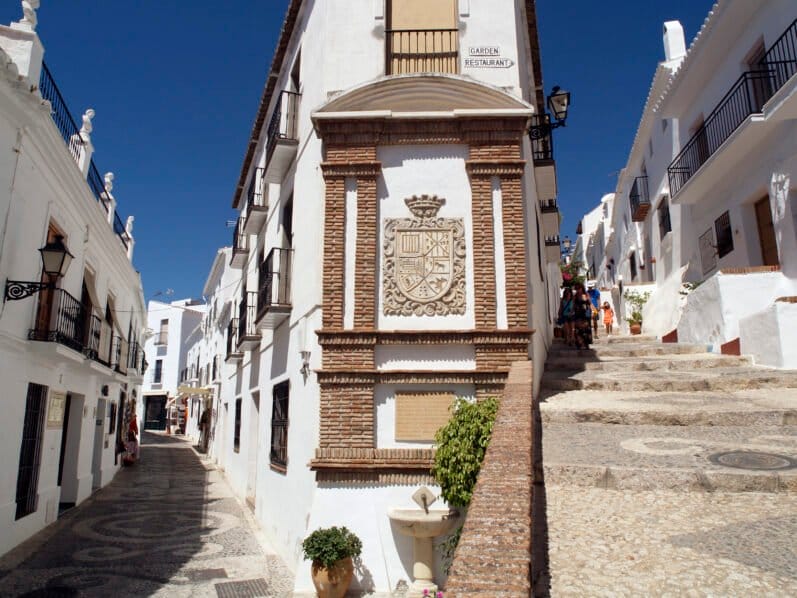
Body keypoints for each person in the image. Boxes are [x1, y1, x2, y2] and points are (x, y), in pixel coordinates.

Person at [572, 283, 593, 349]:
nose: (578, 290)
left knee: (586, 329)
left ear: (582, 288)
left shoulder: (586, 295)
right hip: (578, 314)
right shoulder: (575, 296)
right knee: (578, 329)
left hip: (586, 314)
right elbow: (573, 305)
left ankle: (586, 344)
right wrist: (572, 312)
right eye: (577, 288)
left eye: (579, 288)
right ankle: (580, 344)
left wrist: (593, 312)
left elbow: (590, 303)